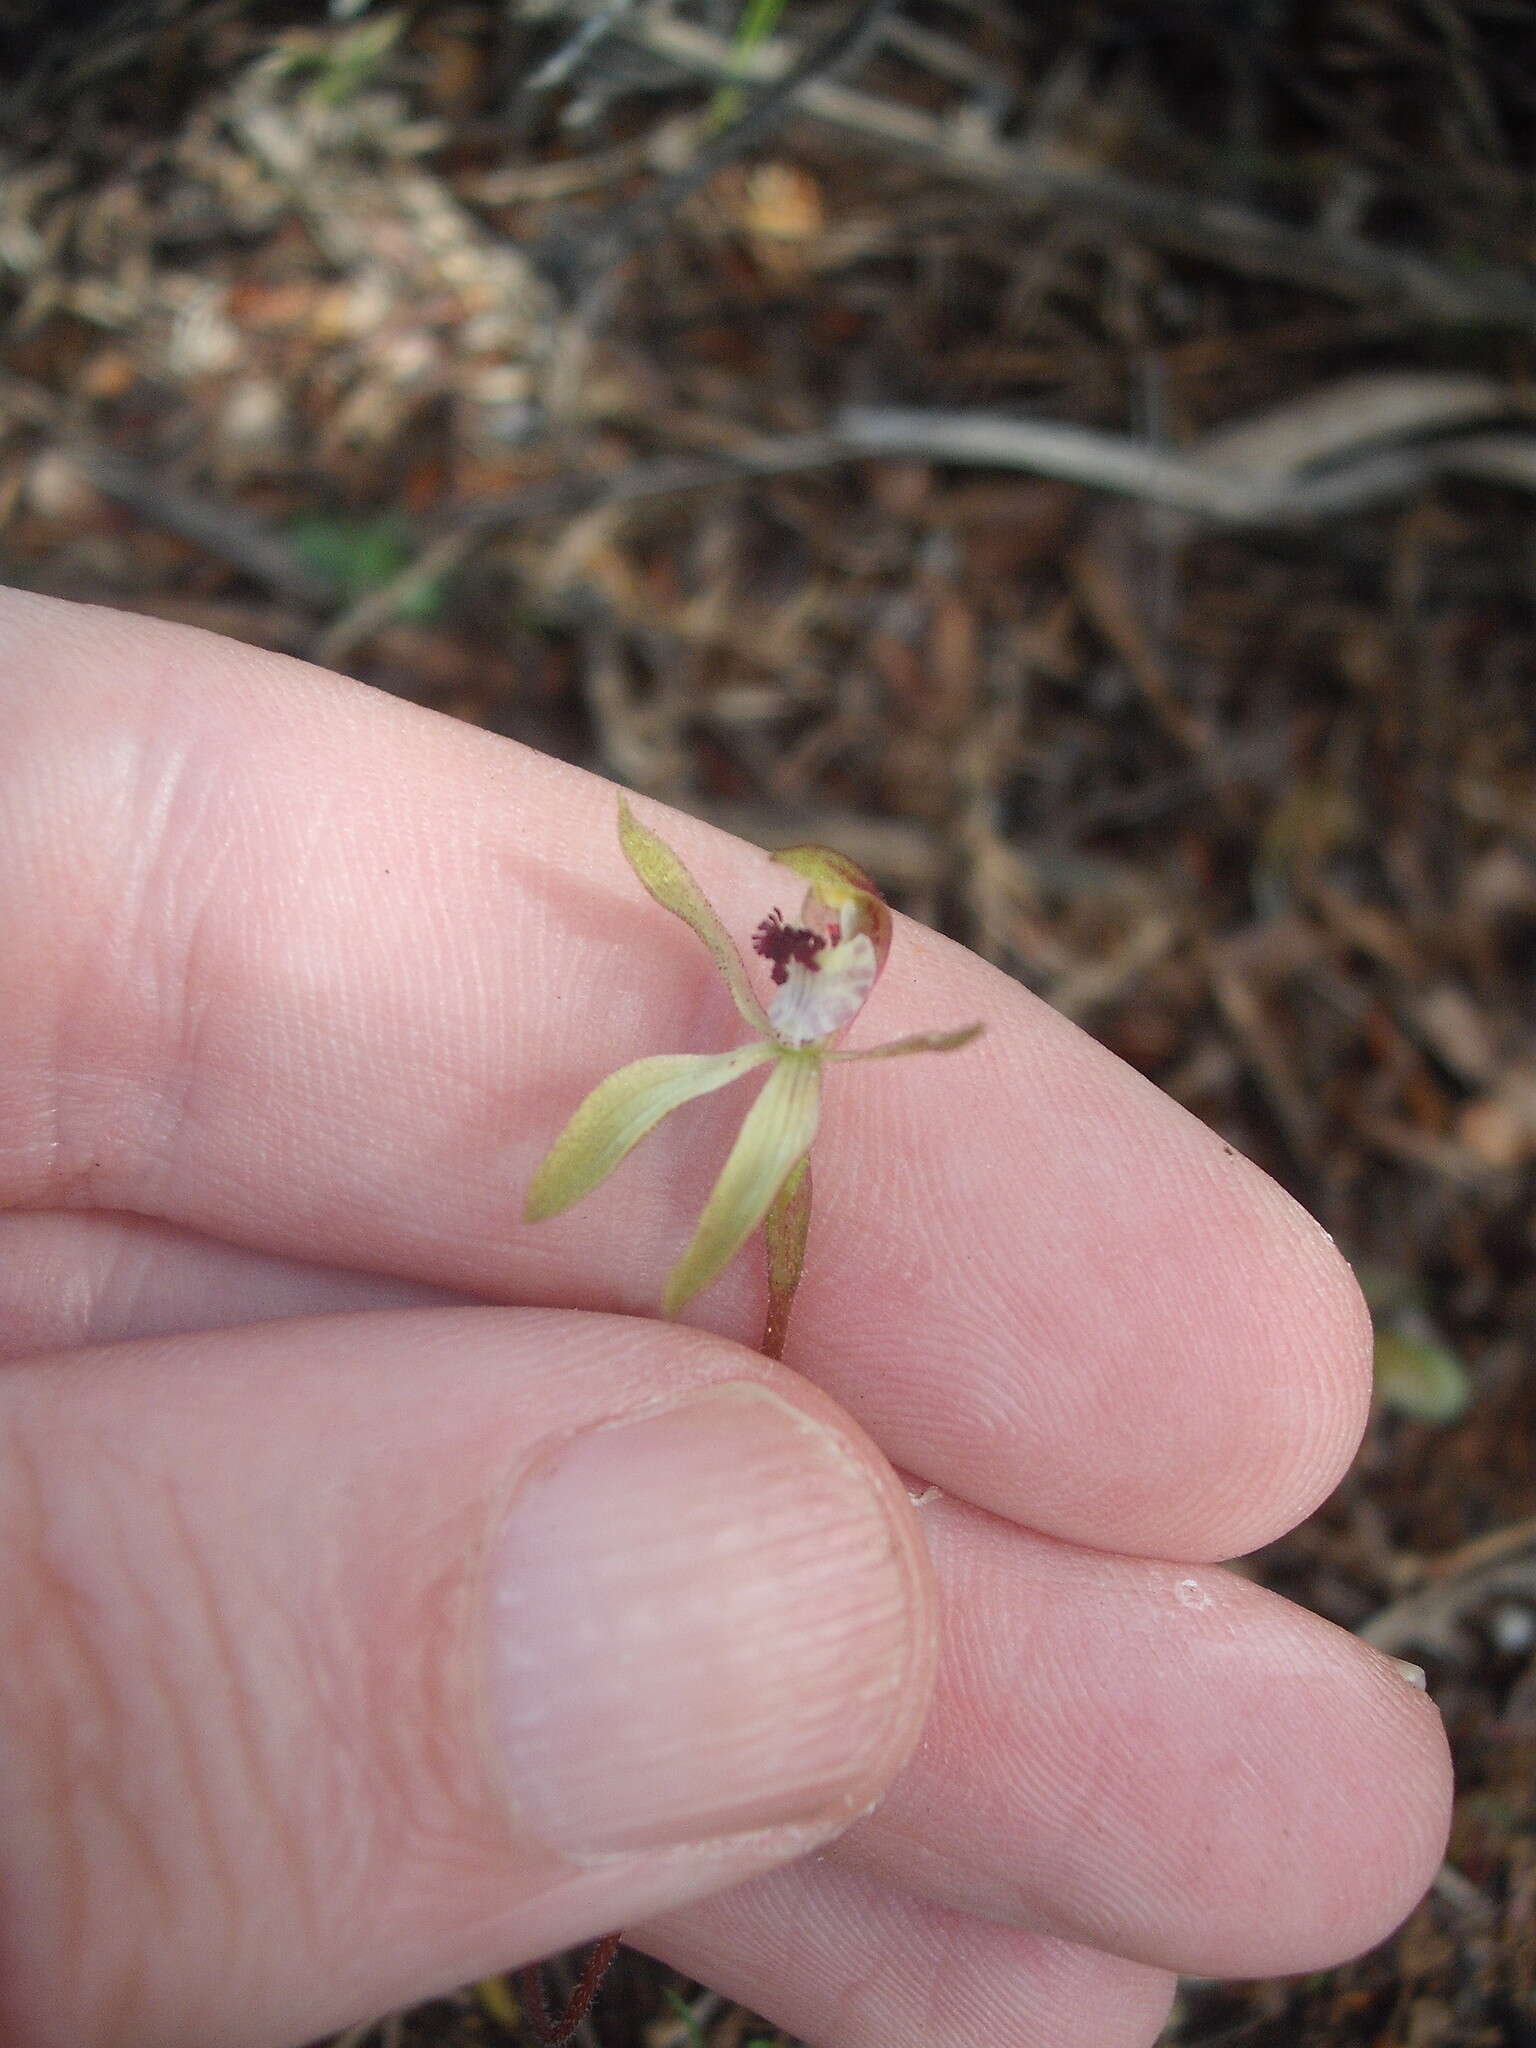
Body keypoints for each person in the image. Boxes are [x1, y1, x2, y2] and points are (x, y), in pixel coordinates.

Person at [0, 585, 1450, 2048]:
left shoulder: (797, 1080)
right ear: (773, 950)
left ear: (854, 986)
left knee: (747, 1292)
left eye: (843, 950)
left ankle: (577, 2002)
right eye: (811, 932)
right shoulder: (719, 1060)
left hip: (774, 1108)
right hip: (744, 1109)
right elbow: (636, 979)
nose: (820, 950)